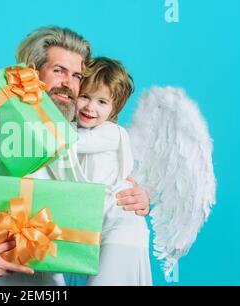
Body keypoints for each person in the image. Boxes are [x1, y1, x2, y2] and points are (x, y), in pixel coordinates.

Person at [0, 26, 151, 286]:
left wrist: (133, 194)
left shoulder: (70, 129)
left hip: (46, 276)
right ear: (31, 71)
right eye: (58, 70)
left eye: (76, 76)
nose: (68, 84)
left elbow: (90, 188)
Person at [67, 57, 151, 285]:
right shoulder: (72, 129)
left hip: (121, 225)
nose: (89, 107)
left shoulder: (110, 133)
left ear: (115, 108)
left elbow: (69, 141)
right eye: (85, 96)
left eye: (102, 102)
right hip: (98, 230)